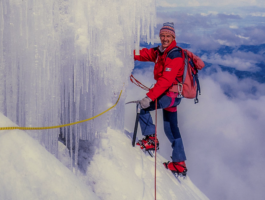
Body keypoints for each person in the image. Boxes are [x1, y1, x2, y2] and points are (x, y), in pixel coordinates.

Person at [133, 22, 187, 175]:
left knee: (142, 107)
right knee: (171, 128)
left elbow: (166, 81)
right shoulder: (160, 52)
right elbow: (144, 54)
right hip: (173, 96)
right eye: (162, 35)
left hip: (170, 95)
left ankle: (151, 140)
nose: (164, 38)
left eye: (168, 36)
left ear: (173, 37)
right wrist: (126, 52)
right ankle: (179, 163)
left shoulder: (175, 55)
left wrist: (149, 98)